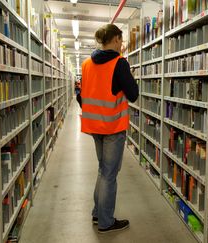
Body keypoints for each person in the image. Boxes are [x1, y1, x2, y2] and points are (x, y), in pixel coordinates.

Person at [79, 23, 139, 234]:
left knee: (103, 169)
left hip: (94, 125)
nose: (122, 44)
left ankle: (97, 213)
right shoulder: (119, 63)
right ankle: (106, 221)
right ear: (114, 39)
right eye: (121, 40)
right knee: (109, 174)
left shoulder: (86, 64)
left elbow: (81, 94)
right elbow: (133, 94)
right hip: (113, 126)